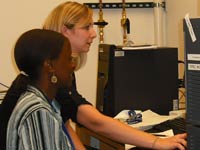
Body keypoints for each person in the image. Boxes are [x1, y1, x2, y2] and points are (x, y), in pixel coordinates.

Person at [43, 1, 187, 150]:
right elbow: (92, 120)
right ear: (65, 30)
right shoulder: (50, 73)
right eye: (87, 27)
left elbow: (64, 123)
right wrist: (156, 142)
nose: (93, 34)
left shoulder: (56, 68)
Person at [0, 29, 76, 149]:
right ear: (49, 66)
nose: (73, 65)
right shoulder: (38, 112)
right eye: (68, 59)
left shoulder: (42, 102)